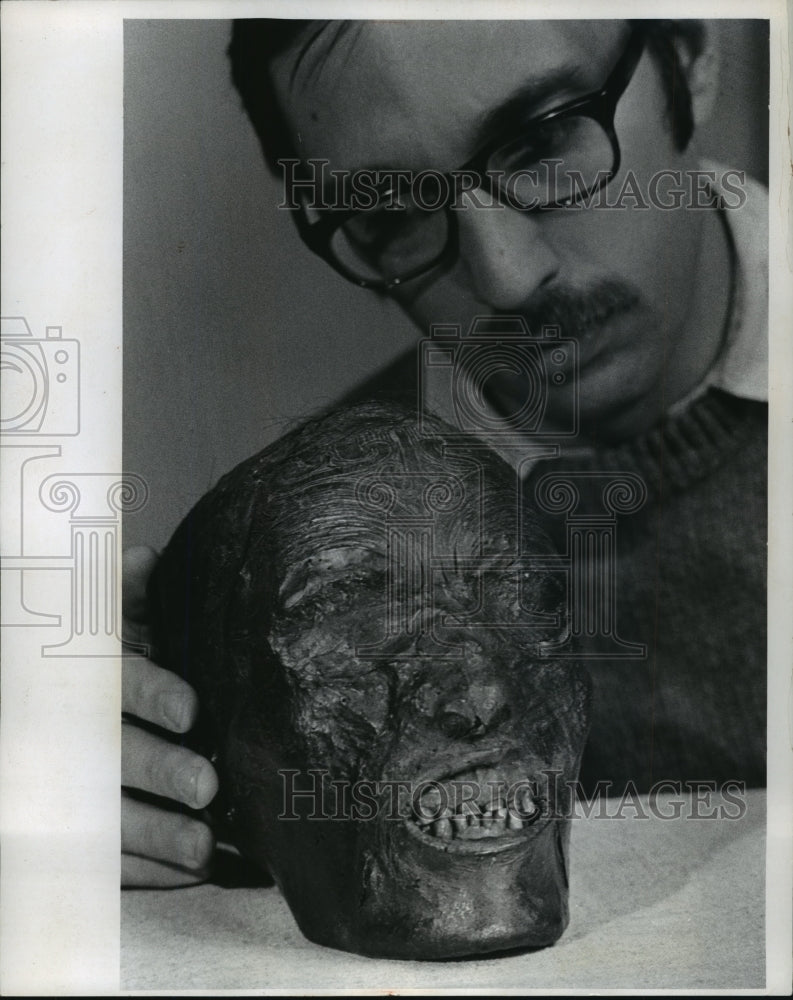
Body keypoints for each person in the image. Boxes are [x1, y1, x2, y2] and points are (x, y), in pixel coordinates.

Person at [121, 18, 768, 887]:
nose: (504, 276)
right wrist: (168, 793)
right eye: (393, 212)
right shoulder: (310, 547)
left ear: (689, 56)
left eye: (542, 141)